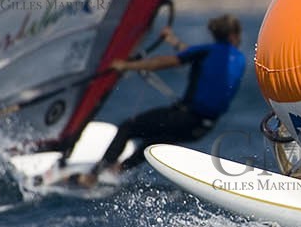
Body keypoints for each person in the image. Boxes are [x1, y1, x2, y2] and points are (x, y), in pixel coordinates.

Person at [74, 15, 247, 185]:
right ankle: (117, 171)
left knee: (128, 127)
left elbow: (166, 61)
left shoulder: (207, 51)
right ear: (233, 36)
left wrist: (127, 65)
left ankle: (92, 177)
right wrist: (174, 41)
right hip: (203, 127)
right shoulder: (239, 59)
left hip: (185, 118)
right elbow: (194, 54)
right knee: (152, 142)